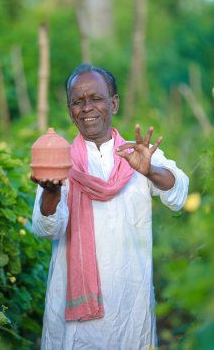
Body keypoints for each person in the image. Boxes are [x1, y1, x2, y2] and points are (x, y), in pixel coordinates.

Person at [31, 63, 189, 350]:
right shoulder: (59, 160)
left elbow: (178, 192)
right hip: (75, 316)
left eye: (96, 98)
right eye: (78, 101)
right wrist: (51, 192)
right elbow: (45, 229)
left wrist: (150, 169)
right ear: (70, 111)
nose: (87, 108)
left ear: (113, 103)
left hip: (131, 305)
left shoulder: (136, 155)